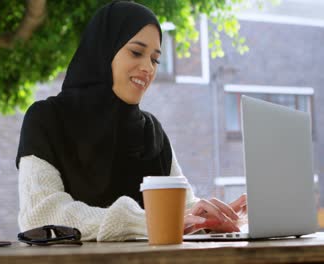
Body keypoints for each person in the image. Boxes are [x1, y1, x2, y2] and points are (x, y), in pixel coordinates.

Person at [16, 0, 247, 241]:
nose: (148, 67)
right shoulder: (46, 119)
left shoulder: (151, 132)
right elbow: (41, 216)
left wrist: (212, 218)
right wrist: (147, 223)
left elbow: (182, 209)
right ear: (104, 50)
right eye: (136, 52)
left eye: (155, 59)